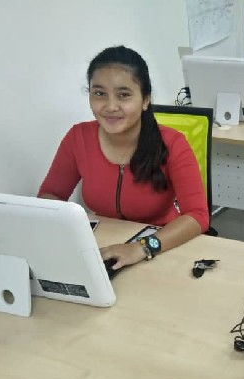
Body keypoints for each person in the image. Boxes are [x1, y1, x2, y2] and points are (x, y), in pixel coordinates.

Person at [38, 46, 209, 270]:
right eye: (99, 93)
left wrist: (142, 248)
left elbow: (197, 216)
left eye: (124, 95)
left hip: (161, 246)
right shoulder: (78, 138)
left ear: (145, 100)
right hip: (102, 247)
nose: (110, 107)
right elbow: (50, 195)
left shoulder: (173, 143)